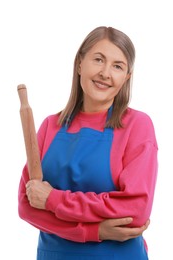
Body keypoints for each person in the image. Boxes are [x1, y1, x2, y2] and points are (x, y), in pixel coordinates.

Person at [18, 26, 158, 260]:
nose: (105, 73)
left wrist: (54, 200)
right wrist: (94, 230)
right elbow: (27, 205)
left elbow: (135, 210)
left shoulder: (137, 126)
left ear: (127, 77)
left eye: (117, 66)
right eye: (98, 60)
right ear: (80, 63)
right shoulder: (50, 126)